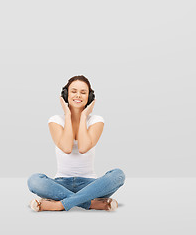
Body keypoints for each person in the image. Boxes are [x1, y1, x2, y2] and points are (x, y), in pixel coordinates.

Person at [27, 75, 125, 212]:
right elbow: (66, 148)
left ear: (89, 97)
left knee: (118, 175)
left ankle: (60, 204)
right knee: (34, 180)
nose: (78, 95)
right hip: (60, 184)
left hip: (91, 185)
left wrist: (84, 116)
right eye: (73, 91)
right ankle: (91, 203)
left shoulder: (96, 120)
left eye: (83, 92)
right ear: (66, 94)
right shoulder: (55, 120)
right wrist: (67, 114)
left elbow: (84, 148)